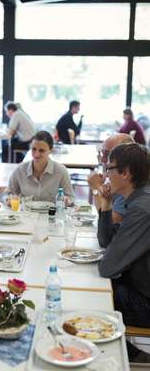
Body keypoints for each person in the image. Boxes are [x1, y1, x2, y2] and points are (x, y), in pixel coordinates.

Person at [97, 143, 150, 363]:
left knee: (94, 301)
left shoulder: (141, 208)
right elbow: (106, 240)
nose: (105, 173)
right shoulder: (138, 198)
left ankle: (117, 360)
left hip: (145, 303)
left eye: (109, 168)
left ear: (125, 173)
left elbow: (107, 267)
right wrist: (107, 205)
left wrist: (112, 254)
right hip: (140, 289)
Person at [8, 130, 74, 204]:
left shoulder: (61, 171)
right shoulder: (20, 170)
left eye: (41, 151)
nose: (36, 154)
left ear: (50, 151)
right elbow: (7, 194)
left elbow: (71, 198)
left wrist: (67, 201)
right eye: (34, 149)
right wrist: (10, 199)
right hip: (26, 214)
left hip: (52, 215)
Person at [88, 133, 134, 224]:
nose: (103, 160)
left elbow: (111, 222)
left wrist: (96, 188)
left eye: (108, 154)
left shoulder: (129, 180)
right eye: (102, 154)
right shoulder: (118, 176)